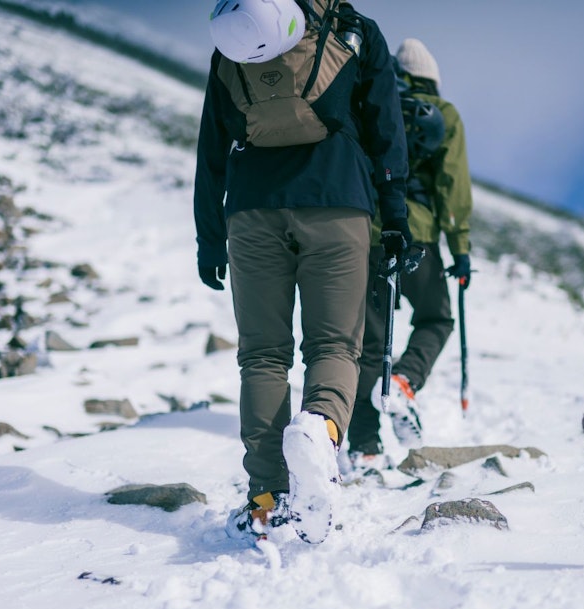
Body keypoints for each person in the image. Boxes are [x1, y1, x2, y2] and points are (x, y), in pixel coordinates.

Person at [194, 0, 411, 544]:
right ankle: (321, 427)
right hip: (338, 201)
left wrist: (209, 236)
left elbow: (211, 147)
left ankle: (267, 500)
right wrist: (396, 216)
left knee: (263, 354)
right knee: (335, 346)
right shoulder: (355, 31)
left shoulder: (236, 36)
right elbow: (387, 126)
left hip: (250, 208)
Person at [346, 37, 473, 470]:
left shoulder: (374, 102)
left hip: (367, 233)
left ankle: (364, 446)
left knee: (367, 343)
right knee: (437, 317)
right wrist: (461, 249)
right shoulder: (445, 114)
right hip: (416, 234)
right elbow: (451, 184)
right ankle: (404, 379)